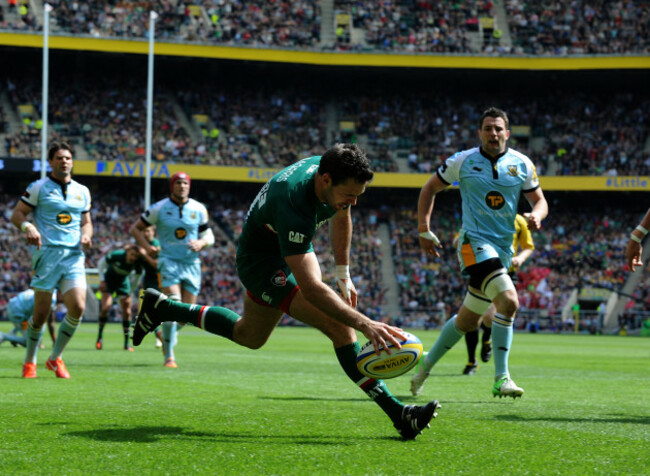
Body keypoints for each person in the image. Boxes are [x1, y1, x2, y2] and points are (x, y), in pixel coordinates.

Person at [132, 144, 440, 440]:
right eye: (349, 194)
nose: (354, 202)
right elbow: (312, 289)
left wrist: (343, 273)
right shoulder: (294, 202)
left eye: (358, 195)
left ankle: (163, 308)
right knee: (341, 328)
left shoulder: (331, 169)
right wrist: (366, 324)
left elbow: (342, 213)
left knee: (249, 335)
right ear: (326, 180)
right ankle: (400, 415)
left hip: (279, 251)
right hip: (261, 265)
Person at [410, 108, 548, 399]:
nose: (493, 133)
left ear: (507, 133)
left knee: (467, 321)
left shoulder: (522, 164)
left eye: (498, 128)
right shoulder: (463, 161)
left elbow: (540, 201)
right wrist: (424, 228)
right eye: (488, 128)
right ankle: (502, 378)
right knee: (509, 301)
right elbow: (429, 188)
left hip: (502, 249)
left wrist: (537, 215)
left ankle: (425, 364)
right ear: (480, 133)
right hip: (473, 243)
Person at [10, 140, 93, 378]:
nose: (64, 161)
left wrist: (86, 236)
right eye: (59, 158)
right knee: (40, 314)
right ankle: (30, 361)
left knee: (78, 307)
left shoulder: (82, 191)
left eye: (67, 158)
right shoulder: (38, 187)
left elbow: (87, 223)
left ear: (72, 162)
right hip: (47, 255)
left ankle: (55, 358)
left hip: (74, 256)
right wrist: (28, 227)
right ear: (51, 162)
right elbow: (17, 214)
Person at [130, 172, 214, 368]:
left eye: (185, 183)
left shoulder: (199, 209)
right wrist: (147, 247)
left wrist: (201, 243)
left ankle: (163, 332)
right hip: (168, 262)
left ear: (189, 186)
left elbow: (209, 236)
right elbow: (136, 228)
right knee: (174, 303)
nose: (182, 186)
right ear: (172, 186)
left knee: (186, 316)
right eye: (178, 183)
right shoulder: (159, 208)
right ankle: (169, 356)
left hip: (192, 264)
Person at [460, 213, 534, 375]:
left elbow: (528, 246)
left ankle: (487, 337)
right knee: (472, 319)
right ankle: (471, 361)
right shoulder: (482, 213)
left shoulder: (519, 220)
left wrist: (520, 258)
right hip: (482, 268)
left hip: (506, 272)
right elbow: (462, 235)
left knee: (489, 316)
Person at [96, 244, 150, 351]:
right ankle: (100, 337)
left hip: (123, 283)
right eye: (132, 254)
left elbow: (137, 278)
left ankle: (126, 344)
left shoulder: (137, 263)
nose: (133, 257)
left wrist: (130, 292)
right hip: (109, 281)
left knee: (127, 312)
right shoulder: (117, 255)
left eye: (135, 256)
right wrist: (102, 280)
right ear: (127, 251)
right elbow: (101, 263)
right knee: (105, 308)